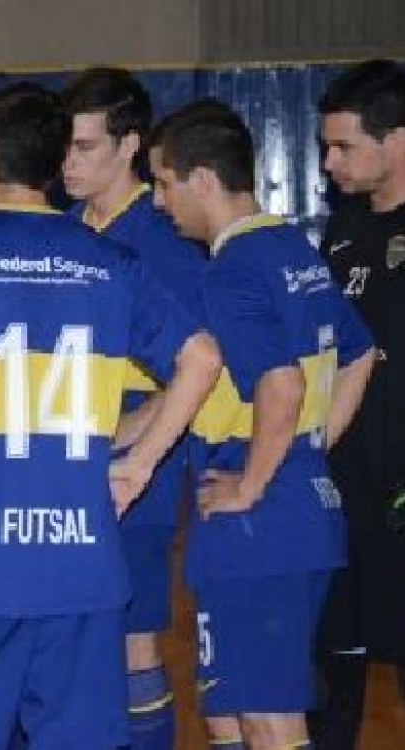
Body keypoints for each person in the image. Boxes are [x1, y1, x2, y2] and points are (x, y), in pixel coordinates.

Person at [0, 81, 221, 750]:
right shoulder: (112, 261)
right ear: (56, 163)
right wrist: (139, 466)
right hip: (82, 567)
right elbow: (201, 358)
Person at [149, 100, 376, 750]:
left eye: (164, 183)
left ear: (201, 180)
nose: (160, 203)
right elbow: (360, 353)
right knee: (231, 709)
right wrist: (310, 446)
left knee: (267, 720)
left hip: (259, 522)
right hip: (295, 505)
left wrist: (251, 484)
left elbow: (283, 385)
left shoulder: (232, 270)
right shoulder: (291, 249)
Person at [60, 66, 206, 750]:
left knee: (132, 642)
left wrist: (125, 436)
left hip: (130, 477)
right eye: (63, 144)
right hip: (60, 469)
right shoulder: (62, 231)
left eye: (84, 146)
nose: (66, 161)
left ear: (129, 146)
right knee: (68, 642)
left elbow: (200, 367)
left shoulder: (165, 240)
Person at [309, 58, 405, 750]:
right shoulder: (341, 231)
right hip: (343, 491)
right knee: (328, 676)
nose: (329, 163)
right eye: (325, 147)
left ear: (396, 139)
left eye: (343, 146)